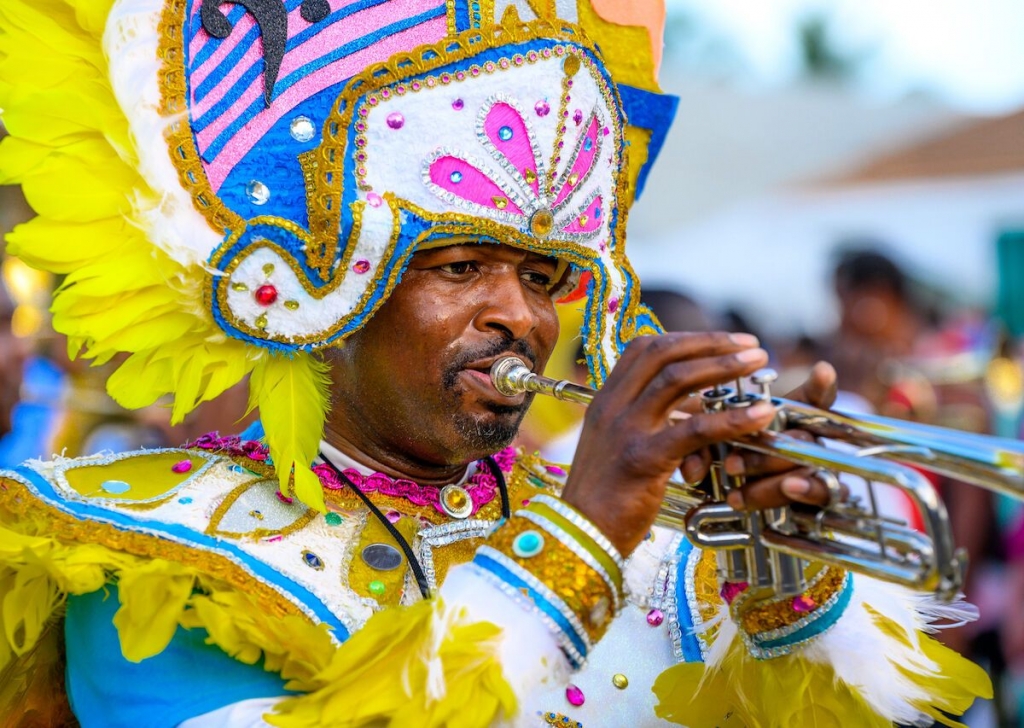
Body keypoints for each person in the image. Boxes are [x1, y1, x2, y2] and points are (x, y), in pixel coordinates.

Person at [0, 1, 990, 726]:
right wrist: (583, 533)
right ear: (331, 292)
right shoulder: (154, 553)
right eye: (460, 264)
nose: (516, 314)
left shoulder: (652, 540)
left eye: (544, 273)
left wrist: (783, 574)